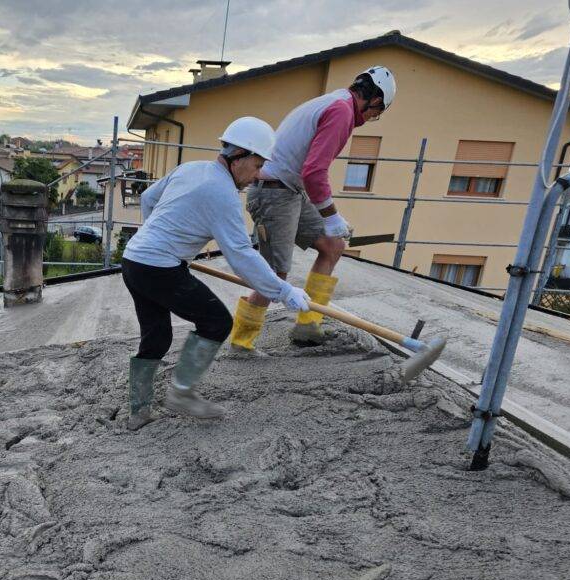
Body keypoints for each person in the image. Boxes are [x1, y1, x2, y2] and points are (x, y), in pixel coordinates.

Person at [122, 116, 311, 430]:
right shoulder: (221, 193)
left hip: (135, 261)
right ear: (241, 158)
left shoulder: (192, 168)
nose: (259, 174)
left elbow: (148, 199)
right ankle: (181, 393)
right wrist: (283, 291)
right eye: (258, 164)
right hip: (158, 267)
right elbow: (241, 256)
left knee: (157, 336)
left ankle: (138, 411)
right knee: (216, 321)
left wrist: (162, 238)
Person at [228, 66, 396, 353]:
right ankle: (241, 343)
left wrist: (331, 220)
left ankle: (308, 325)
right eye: (376, 113)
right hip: (274, 194)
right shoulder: (341, 111)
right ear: (376, 100)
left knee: (333, 246)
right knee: (274, 275)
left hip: (289, 190)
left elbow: (309, 173)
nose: (371, 119)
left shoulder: (335, 103)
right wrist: (330, 215)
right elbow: (314, 171)